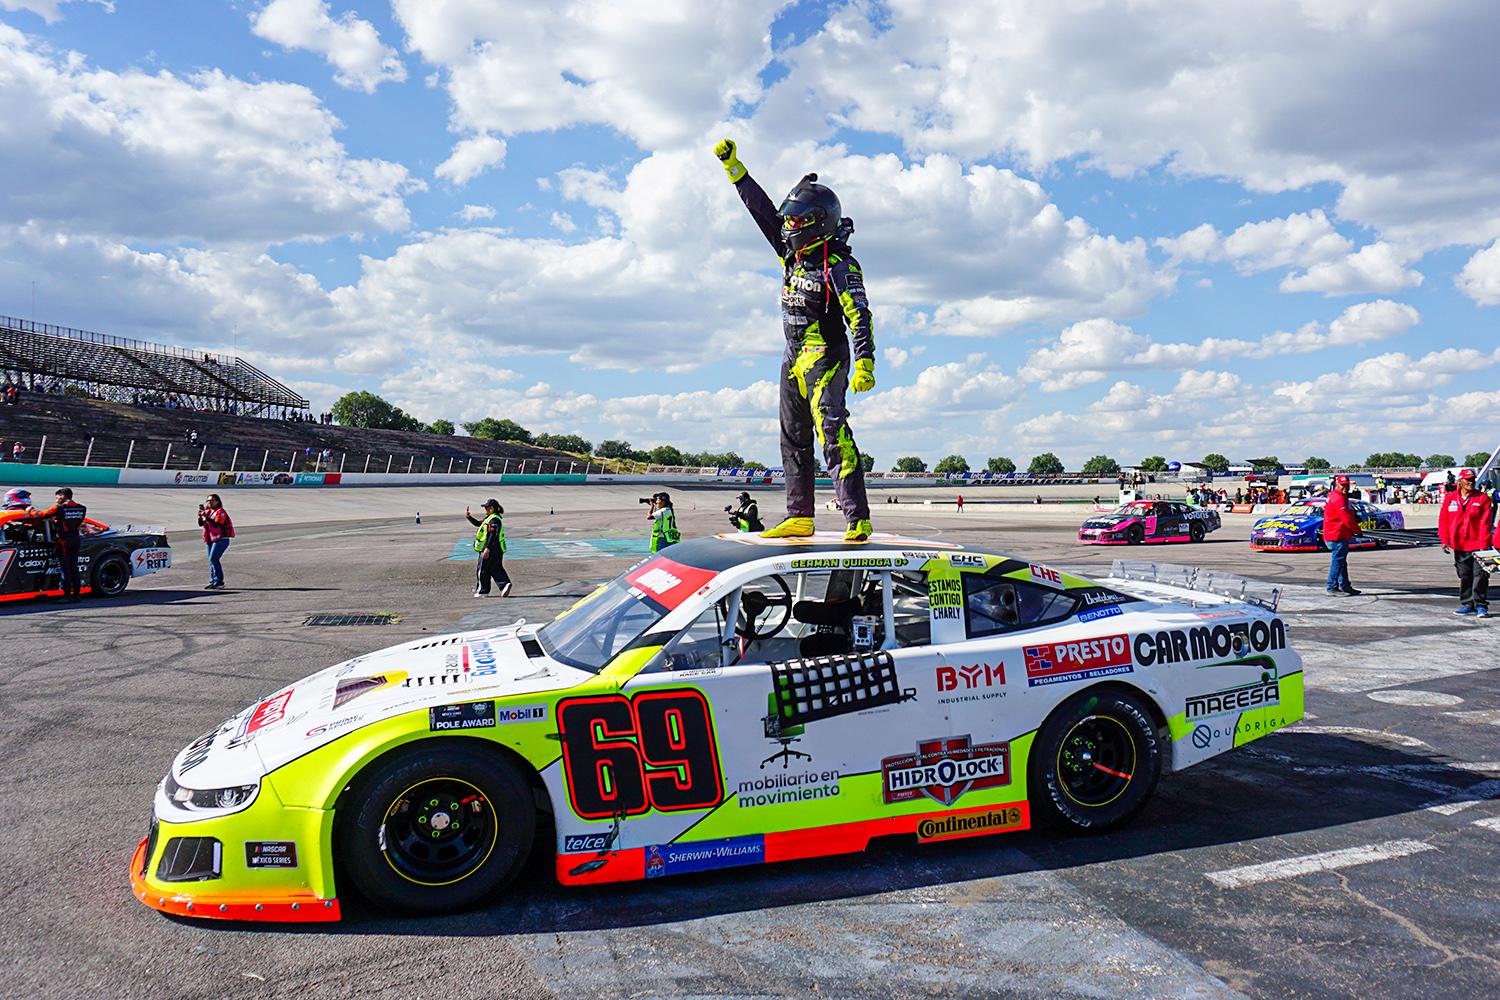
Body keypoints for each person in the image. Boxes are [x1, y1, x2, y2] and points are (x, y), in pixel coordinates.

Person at [714, 138, 875, 542]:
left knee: (833, 434)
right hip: (792, 357)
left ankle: (857, 518)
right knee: (792, 437)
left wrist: (865, 362)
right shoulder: (792, 254)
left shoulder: (838, 264)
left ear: (820, 222)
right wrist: (736, 171)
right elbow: (764, 215)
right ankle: (799, 514)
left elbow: (859, 314)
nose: (789, 228)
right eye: (790, 221)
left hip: (826, 358)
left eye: (798, 221)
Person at [1439, 468, 1492, 617]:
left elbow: (1486, 524)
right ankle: (1467, 604)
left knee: (1480, 575)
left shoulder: (1482, 498)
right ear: (1460, 482)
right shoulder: (1450, 498)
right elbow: (1444, 520)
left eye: (1473, 480)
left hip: (1479, 545)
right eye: (1468, 480)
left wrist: (1484, 546)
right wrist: (1445, 539)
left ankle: (1481, 605)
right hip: (1460, 545)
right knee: (1464, 575)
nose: (1471, 482)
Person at [36, 488, 87, 602]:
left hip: (64, 541)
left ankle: (66, 596)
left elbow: (40, 515)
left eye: (57, 497)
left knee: (66, 569)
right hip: (76, 539)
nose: (56, 499)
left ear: (63, 496)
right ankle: (77, 595)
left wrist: (30, 510)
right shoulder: (82, 508)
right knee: (74, 567)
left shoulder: (59, 508)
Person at [464, 498, 511, 598]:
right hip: (497, 549)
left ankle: (482, 591)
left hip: (490, 548)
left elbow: (492, 535)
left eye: (486, 507)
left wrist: (487, 548)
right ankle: (505, 585)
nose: (485, 509)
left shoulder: (494, 520)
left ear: (492, 508)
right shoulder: (490, 518)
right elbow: (478, 524)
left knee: (483, 569)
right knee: (495, 568)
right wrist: (469, 517)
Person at [1323, 475, 1361, 597]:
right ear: (1337, 484)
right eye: (1343, 485)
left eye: (1347, 485)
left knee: (1341, 562)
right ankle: (1332, 587)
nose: (1345, 487)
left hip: (1336, 533)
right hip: (1337, 534)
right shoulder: (1339, 498)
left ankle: (1344, 585)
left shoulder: (1334, 495)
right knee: (1338, 561)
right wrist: (1357, 530)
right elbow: (1346, 518)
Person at [197, 494, 235, 590]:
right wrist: (200, 516)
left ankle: (219, 581)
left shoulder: (221, 512)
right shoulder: (208, 512)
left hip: (221, 538)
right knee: (211, 560)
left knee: (213, 558)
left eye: (212, 500)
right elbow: (201, 524)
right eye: (208, 501)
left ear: (217, 501)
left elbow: (218, 523)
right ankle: (214, 580)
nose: (210, 502)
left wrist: (206, 517)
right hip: (210, 538)